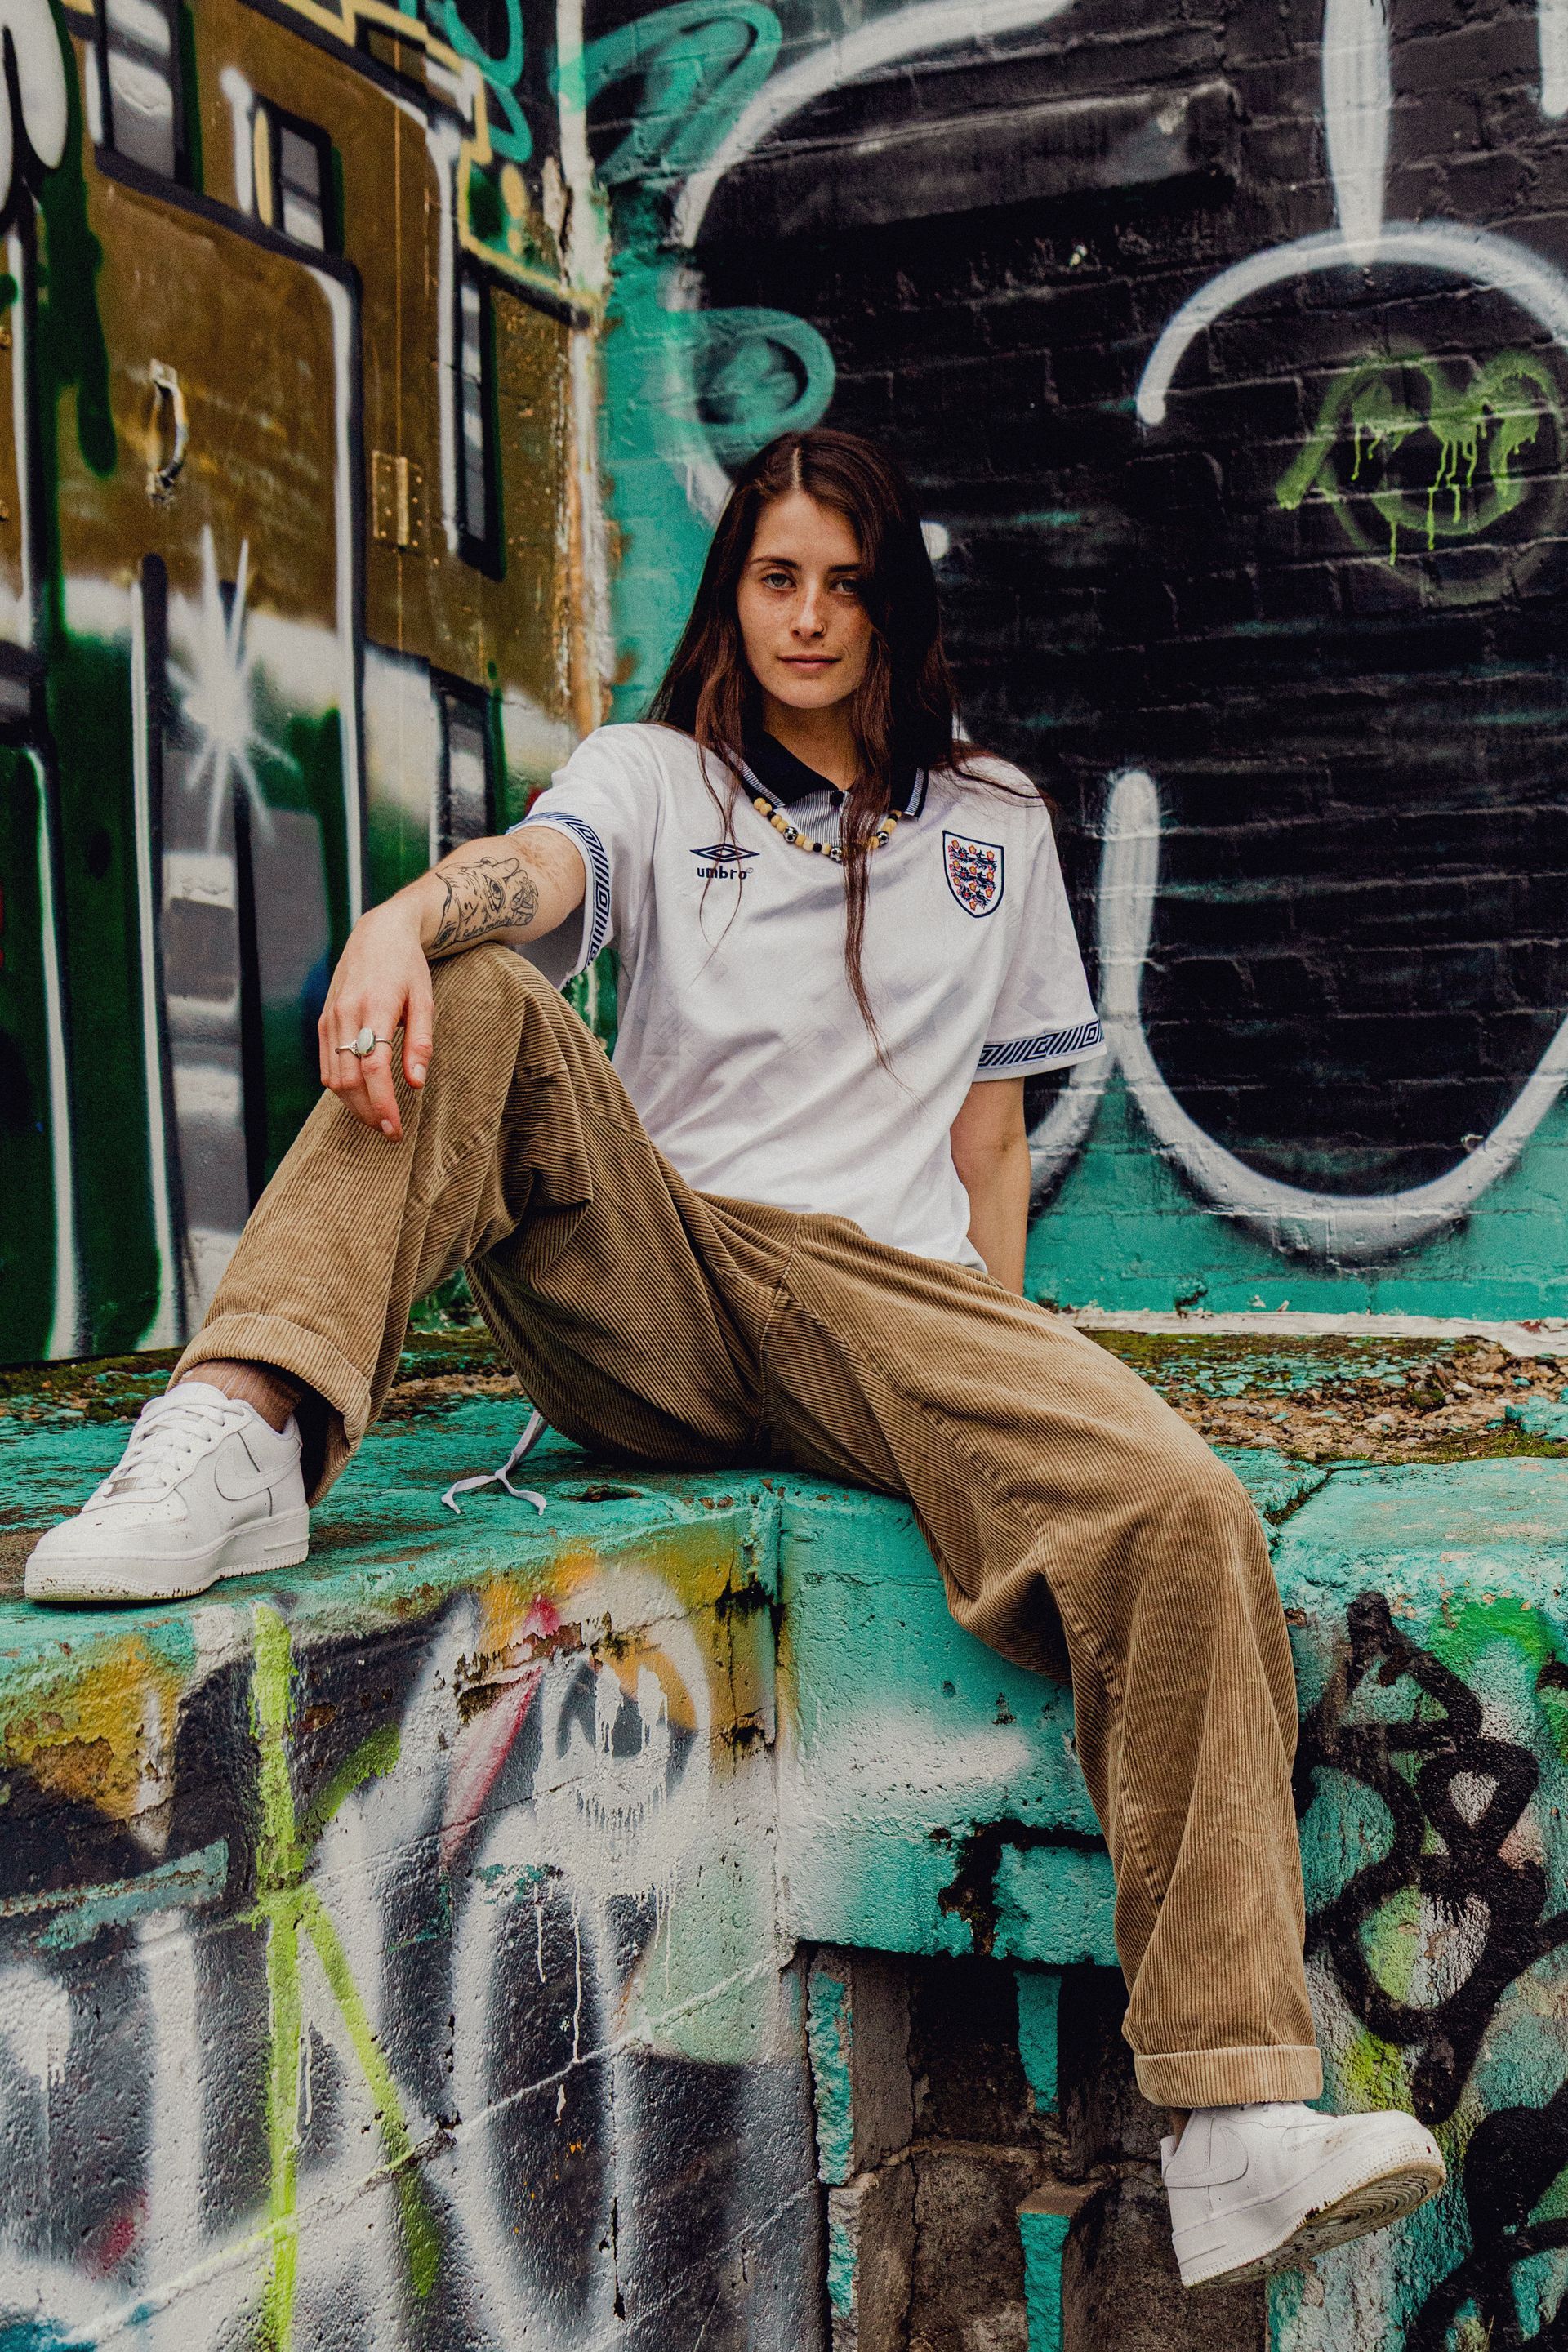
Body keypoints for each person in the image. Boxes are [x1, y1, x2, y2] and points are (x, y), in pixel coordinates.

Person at [26, 429, 1442, 2289]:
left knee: (1176, 1502)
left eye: (846, 584)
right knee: (480, 997)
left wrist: (1008, 1391)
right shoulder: (651, 772)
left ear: (895, 608)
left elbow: (993, 1147)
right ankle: (241, 1424)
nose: (809, 616)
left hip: (900, 1309)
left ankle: (1238, 2123)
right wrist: (400, 913)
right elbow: (537, 874)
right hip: (673, 1275)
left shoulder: (995, 823)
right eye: (778, 576)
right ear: (735, 592)